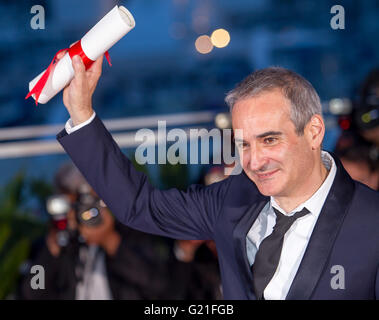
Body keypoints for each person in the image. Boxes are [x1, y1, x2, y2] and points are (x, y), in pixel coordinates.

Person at [55, 51, 379, 300]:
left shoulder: (371, 222)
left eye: (269, 140)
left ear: (314, 132)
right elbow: (139, 205)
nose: (254, 161)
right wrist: (81, 112)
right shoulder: (234, 197)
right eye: (243, 145)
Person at [18, 163, 168, 300]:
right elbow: (30, 293)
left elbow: (157, 285)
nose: (80, 214)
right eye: (72, 206)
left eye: (86, 205)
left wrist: (110, 241)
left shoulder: (133, 233)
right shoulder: (53, 243)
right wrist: (52, 248)